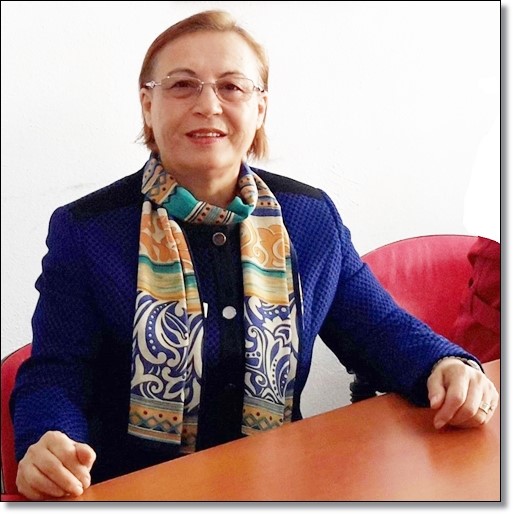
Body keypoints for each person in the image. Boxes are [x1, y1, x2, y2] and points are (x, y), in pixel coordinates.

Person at [11, 9, 498, 501]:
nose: (208, 105)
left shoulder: (309, 218)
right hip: (138, 491)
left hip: (278, 485)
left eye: (232, 87)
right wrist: (49, 441)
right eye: (182, 85)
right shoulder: (87, 230)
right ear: (147, 104)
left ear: (260, 108)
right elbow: (56, 373)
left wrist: (446, 364)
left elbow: (380, 330)